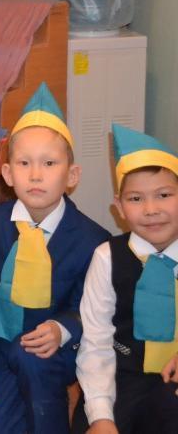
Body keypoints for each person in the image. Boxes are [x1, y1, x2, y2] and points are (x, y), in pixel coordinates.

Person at [0, 83, 109, 434]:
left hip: (56, 353)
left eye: (49, 163)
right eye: (24, 163)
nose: (36, 175)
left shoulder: (92, 239)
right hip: (3, 350)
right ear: (8, 174)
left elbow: (90, 308)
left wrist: (62, 328)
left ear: (71, 175)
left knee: (35, 377)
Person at [72, 125, 178, 433]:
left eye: (164, 195)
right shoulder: (107, 258)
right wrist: (101, 414)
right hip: (121, 377)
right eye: (135, 199)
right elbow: (96, 342)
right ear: (118, 207)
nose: (151, 209)